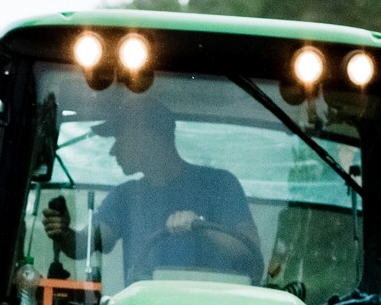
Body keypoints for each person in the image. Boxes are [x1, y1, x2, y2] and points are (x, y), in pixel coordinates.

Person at [42, 97, 259, 283]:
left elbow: (250, 251)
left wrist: (199, 225)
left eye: (119, 138)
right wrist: (63, 232)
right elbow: (85, 245)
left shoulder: (219, 185)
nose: (113, 150)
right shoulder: (124, 197)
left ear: (147, 136)